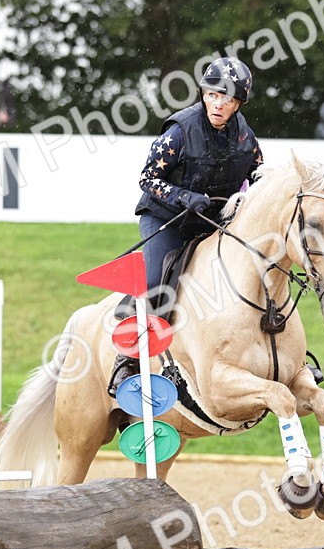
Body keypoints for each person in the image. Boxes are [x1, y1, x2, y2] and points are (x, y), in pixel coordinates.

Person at [108, 56, 264, 396]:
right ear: (204, 94)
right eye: (213, 95)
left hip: (210, 221)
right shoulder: (180, 131)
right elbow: (147, 178)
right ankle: (126, 360)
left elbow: (259, 176)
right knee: (156, 283)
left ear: (238, 104)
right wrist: (183, 196)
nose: (218, 103)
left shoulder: (245, 138)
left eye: (227, 98)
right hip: (167, 218)